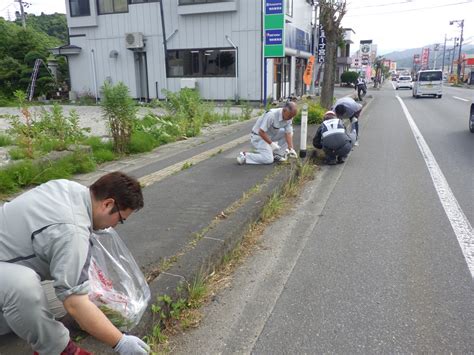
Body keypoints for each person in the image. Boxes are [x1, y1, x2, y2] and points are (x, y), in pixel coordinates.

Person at [0, 172, 149, 355]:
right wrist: (120, 342)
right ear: (108, 204)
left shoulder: (69, 188)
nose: (114, 226)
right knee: (24, 287)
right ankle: (59, 350)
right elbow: (75, 304)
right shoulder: (73, 230)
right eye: (120, 219)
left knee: (57, 304)